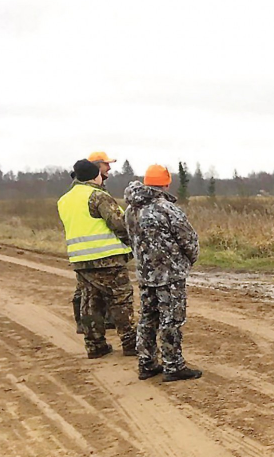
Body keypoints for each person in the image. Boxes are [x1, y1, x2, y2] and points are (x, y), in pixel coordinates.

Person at [124, 165, 202, 381]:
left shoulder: (131, 209)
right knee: (172, 320)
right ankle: (173, 366)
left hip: (145, 274)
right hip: (170, 275)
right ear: (166, 183)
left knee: (148, 318)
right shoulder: (167, 209)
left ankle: (147, 363)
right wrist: (187, 260)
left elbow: (127, 237)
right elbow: (189, 240)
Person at [57, 159, 136, 359]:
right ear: (95, 176)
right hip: (107, 258)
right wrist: (132, 243)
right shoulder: (98, 196)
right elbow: (119, 224)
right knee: (121, 299)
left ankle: (95, 345)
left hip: (80, 259)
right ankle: (131, 344)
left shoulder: (64, 200)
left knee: (90, 301)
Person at [72, 151, 120, 333]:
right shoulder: (89, 191)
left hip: (86, 249)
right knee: (85, 290)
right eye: (106, 164)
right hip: (90, 248)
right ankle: (85, 324)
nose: (109, 168)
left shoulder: (94, 188)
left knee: (93, 289)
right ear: (96, 167)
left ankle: (101, 321)